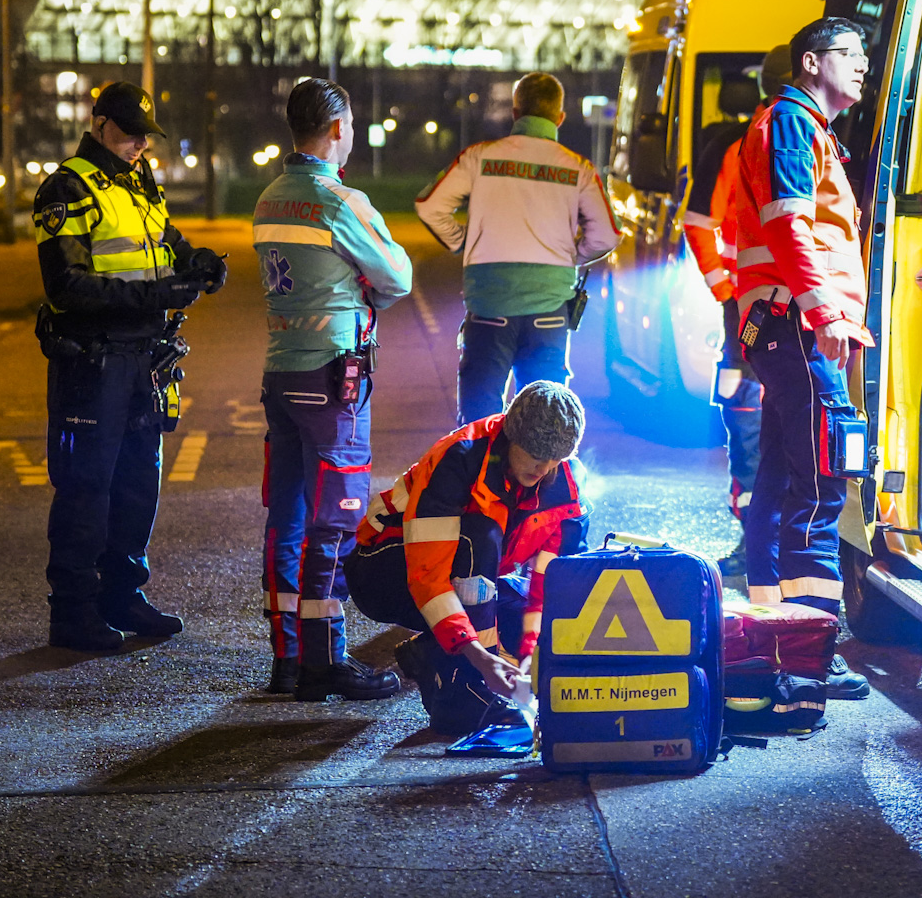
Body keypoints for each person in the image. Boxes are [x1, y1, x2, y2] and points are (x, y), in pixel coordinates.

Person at [33, 81, 227, 651]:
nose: (140, 142)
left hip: (144, 356)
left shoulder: (138, 186)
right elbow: (64, 286)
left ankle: (122, 594)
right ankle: (71, 611)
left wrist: (200, 264)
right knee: (86, 486)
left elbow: (168, 242)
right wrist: (159, 295)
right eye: (128, 131)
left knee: (139, 481)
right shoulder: (66, 188)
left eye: (145, 134)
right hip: (92, 361)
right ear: (99, 126)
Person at [253, 79, 415, 700]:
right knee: (337, 518)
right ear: (338, 129)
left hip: (281, 373)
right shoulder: (339, 201)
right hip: (332, 378)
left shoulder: (269, 198)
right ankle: (327, 661)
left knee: (286, 517)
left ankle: (287, 659)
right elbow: (396, 274)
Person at [734, 18, 874, 700]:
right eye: (852, 56)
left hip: (779, 322)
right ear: (813, 62)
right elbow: (790, 225)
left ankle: (771, 635)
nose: (864, 68)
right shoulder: (793, 124)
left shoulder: (798, 126)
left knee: (783, 479)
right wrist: (826, 314)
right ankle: (811, 646)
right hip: (795, 321)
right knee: (821, 479)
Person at [344, 381, 587, 736]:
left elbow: (552, 584)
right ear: (510, 435)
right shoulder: (460, 459)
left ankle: (430, 652)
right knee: (479, 536)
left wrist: (533, 654)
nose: (543, 467)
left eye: (554, 458)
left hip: (469, 574)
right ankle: (464, 695)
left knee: (534, 621)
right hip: (384, 569)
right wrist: (482, 657)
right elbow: (429, 577)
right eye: (534, 454)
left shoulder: (566, 482)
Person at [415, 73, 618, 426]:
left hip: (490, 305)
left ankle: (481, 476)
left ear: (515, 112)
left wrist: (462, 242)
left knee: (479, 417)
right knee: (546, 420)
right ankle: (540, 481)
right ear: (559, 118)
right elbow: (606, 236)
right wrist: (571, 256)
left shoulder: (479, 157)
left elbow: (430, 206)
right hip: (550, 309)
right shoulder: (578, 168)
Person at [683, 45, 792, 575]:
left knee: (750, 411)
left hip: (751, 309)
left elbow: (699, 224)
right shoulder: (750, 144)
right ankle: (759, 539)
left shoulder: (736, 144)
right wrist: (725, 291)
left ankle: (763, 537)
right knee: (751, 408)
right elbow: (700, 224)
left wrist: (726, 291)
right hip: (761, 309)